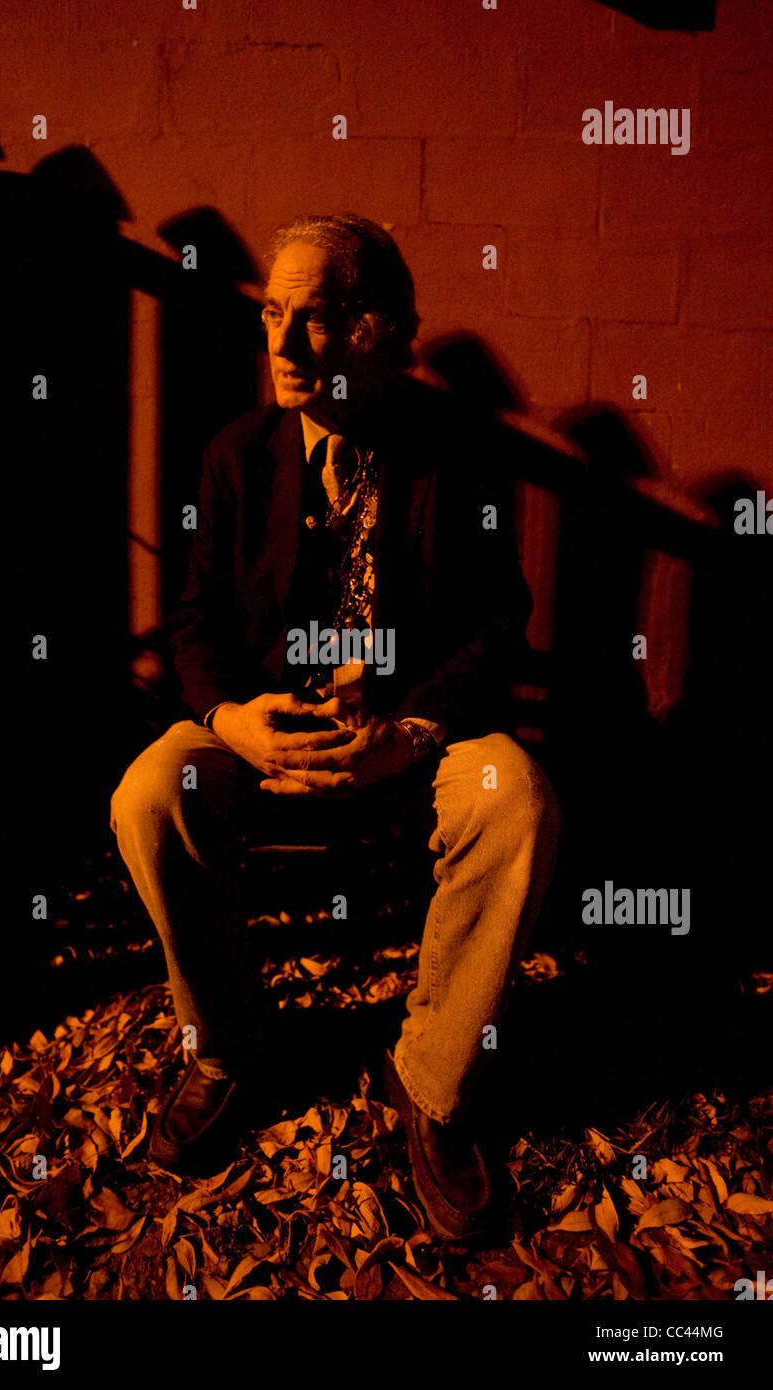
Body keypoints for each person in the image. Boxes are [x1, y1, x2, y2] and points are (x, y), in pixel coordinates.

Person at [111, 213, 562, 1238]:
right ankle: (228, 1044)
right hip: (266, 726)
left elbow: (501, 622)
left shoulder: (454, 454)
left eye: (313, 319)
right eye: (273, 313)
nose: (280, 344)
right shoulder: (239, 452)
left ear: (381, 331)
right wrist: (232, 717)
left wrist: (416, 730)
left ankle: (433, 1086)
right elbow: (192, 619)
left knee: (518, 802)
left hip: (408, 736)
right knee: (146, 795)